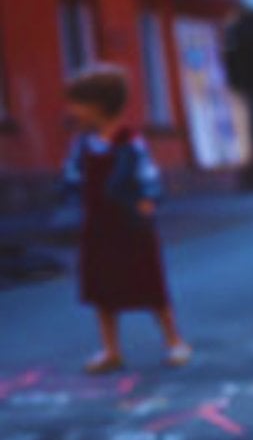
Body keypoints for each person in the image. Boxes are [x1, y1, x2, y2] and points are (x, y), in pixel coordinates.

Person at [61, 64, 191, 374]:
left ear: (99, 105)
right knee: (102, 287)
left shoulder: (129, 142)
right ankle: (111, 349)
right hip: (98, 225)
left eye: (78, 103)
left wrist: (147, 199)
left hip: (129, 224)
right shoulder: (83, 144)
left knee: (147, 282)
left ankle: (174, 340)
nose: (72, 110)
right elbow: (73, 176)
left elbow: (147, 174)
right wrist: (71, 198)